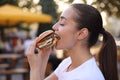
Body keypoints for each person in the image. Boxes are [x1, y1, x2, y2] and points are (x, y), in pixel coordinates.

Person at [26, 3, 118, 80]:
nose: (54, 27)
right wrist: (43, 57)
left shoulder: (88, 76)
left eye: (62, 23)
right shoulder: (68, 64)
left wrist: (34, 69)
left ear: (81, 34)